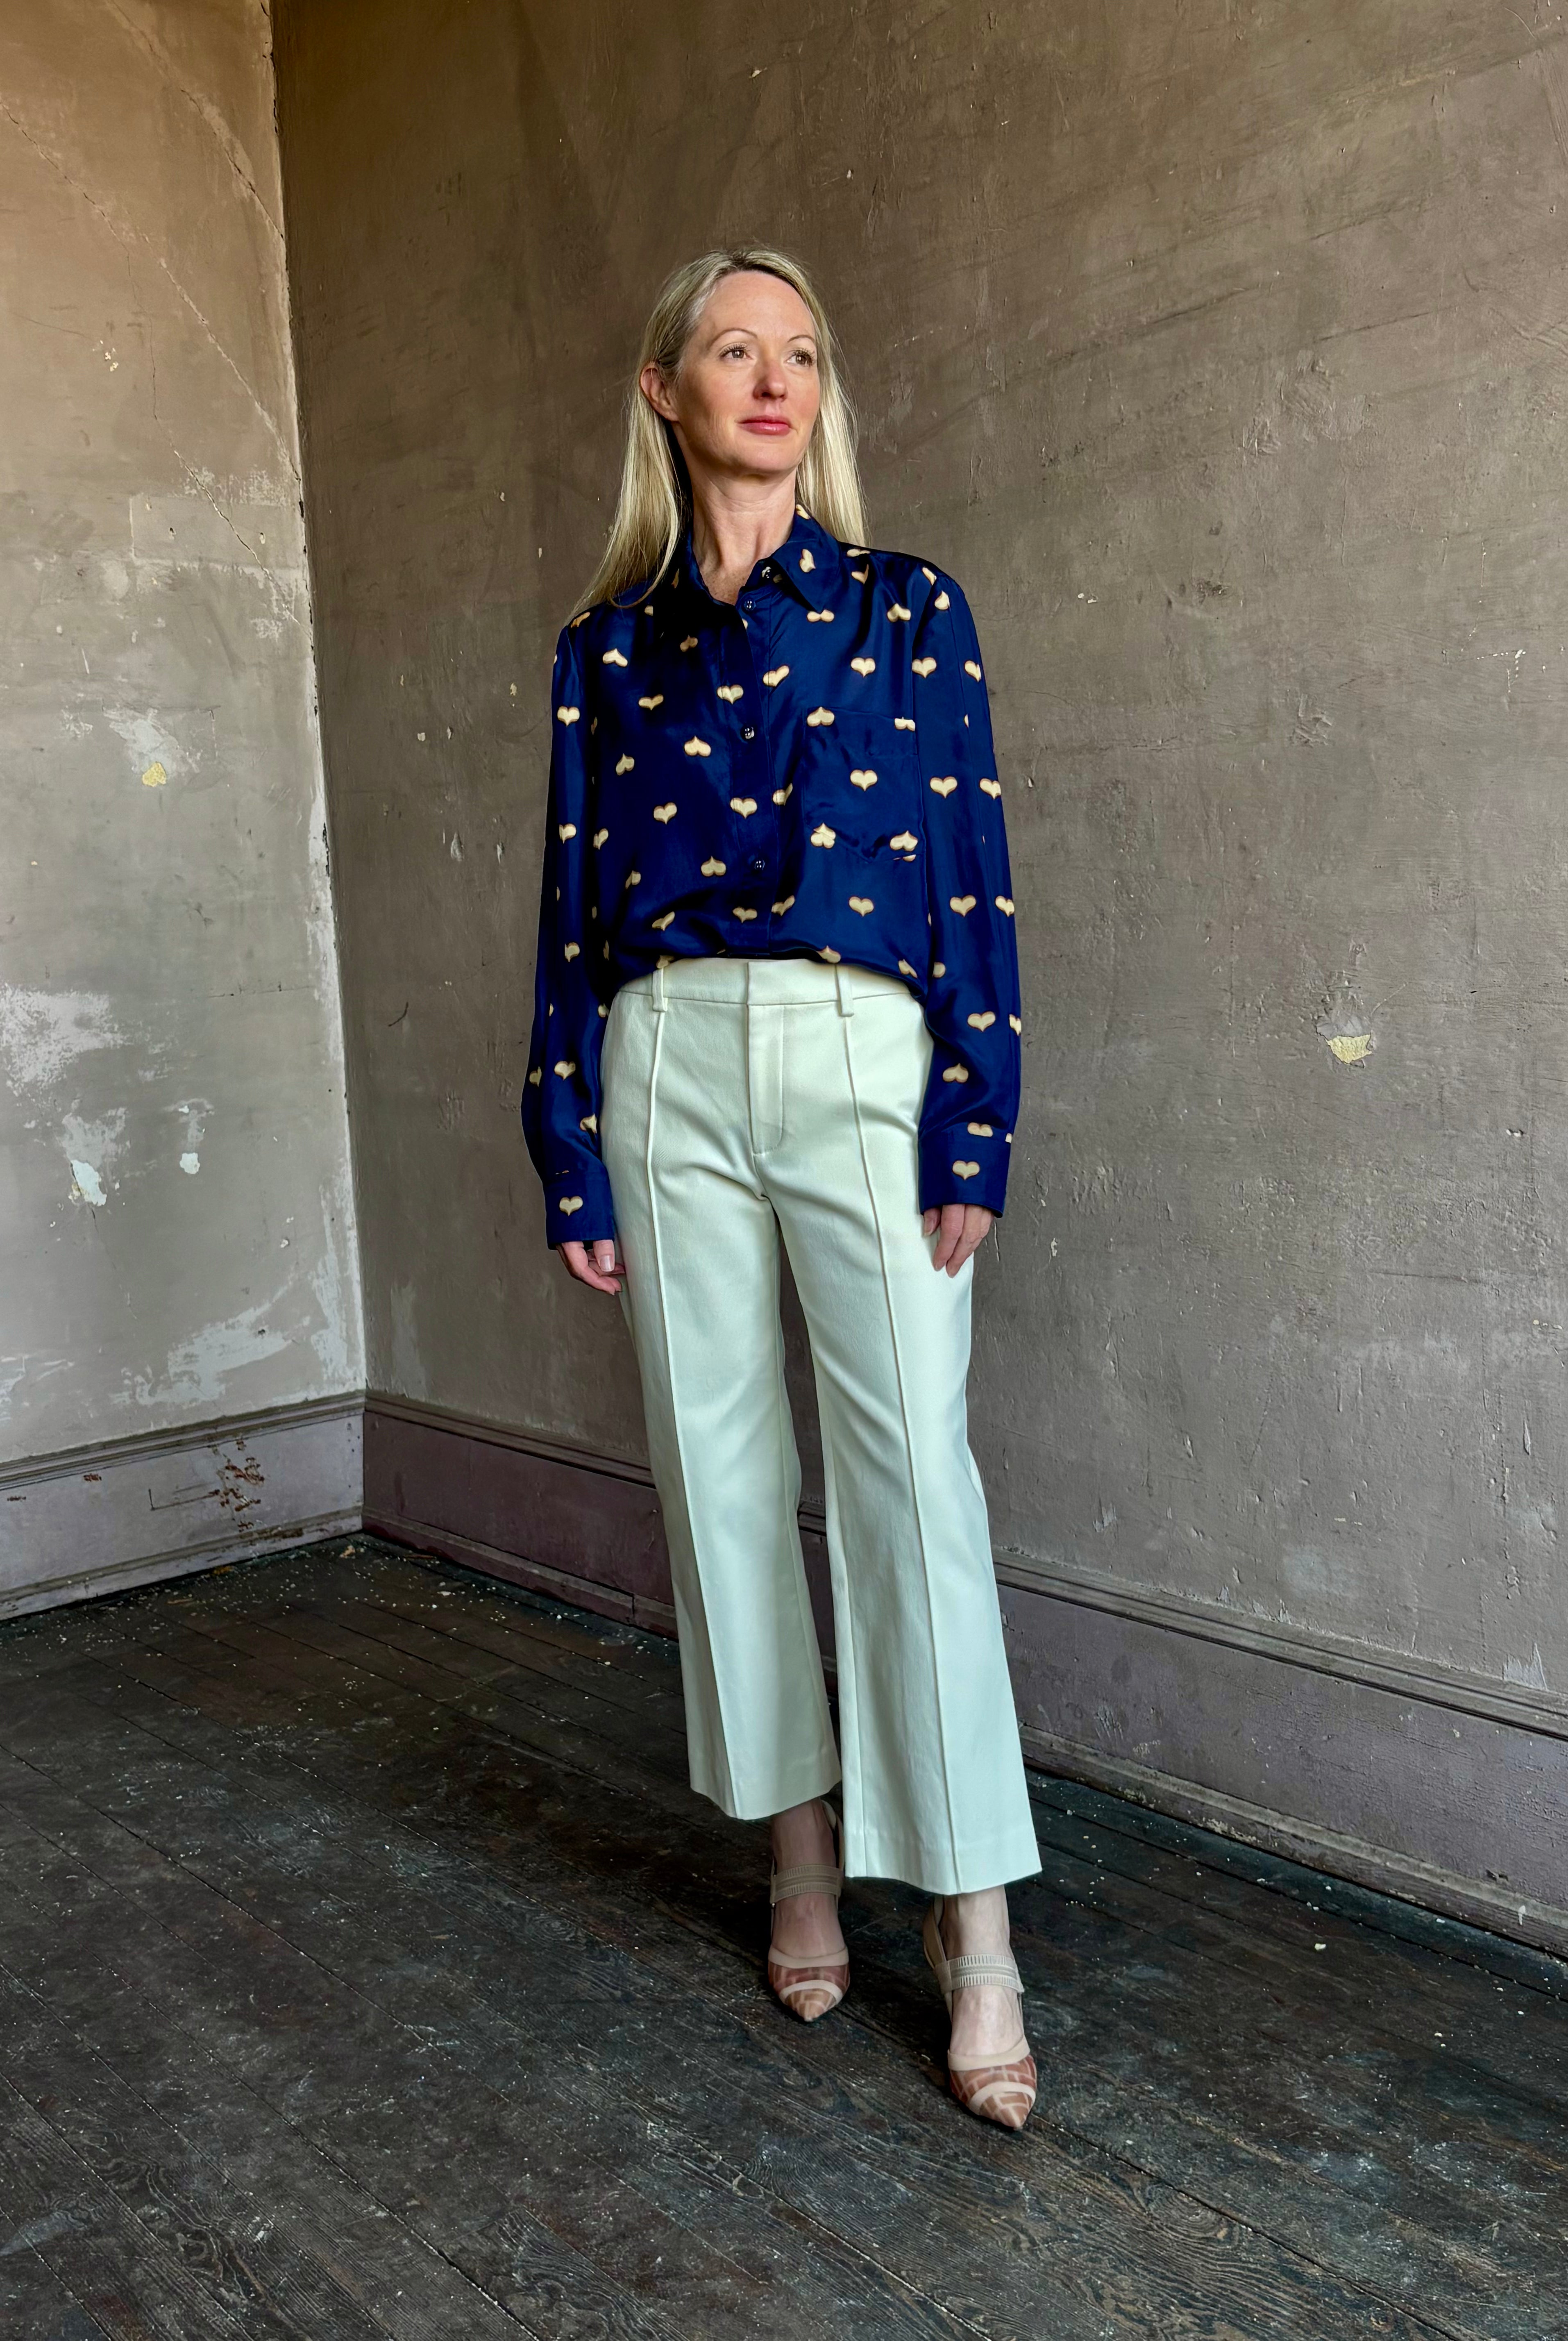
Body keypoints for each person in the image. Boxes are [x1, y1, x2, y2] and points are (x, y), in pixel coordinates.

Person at [522, 246, 1040, 2129]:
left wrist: (972, 1118)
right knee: (719, 1473)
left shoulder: (909, 612)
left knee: (913, 1472)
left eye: (801, 351)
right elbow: (572, 915)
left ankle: (975, 1923)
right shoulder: (607, 649)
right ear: (664, 388)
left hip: (856, 1053)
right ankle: (798, 1852)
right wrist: (565, 1130)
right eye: (733, 350)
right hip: (666, 1059)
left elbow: (971, 870)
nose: (773, 379)